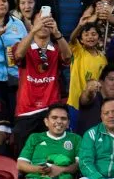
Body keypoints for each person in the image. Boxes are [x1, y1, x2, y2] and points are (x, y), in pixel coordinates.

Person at [12, 10, 72, 154]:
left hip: (50, 110)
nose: (44, 24)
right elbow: (18, 55)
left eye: (47, 20)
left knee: (50, 154)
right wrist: (32, 32)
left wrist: (57, 33)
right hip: (26, 110)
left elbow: (68, 57)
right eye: (40, 20)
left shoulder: (57, 48)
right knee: (24, 153)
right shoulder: (23, 45)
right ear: (33, 24)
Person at [17, 103, 82, 179]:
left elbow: (79, 165)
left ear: (68, 123)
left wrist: (61, 169)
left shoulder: (76, 139)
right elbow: (21, 165)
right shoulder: (35, 137)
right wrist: (40, 169)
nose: (59, 121)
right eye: (54, 118)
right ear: (46, 121)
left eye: (63, 119)